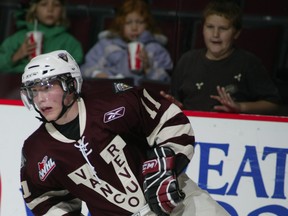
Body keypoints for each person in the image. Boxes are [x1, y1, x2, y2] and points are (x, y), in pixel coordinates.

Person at [20, 50, 229, 216]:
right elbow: (43, 199)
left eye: (47, 88)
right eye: (34, 91)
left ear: (71, 84)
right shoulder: (37, 151)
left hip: (179, 202)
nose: (40, 99)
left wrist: (165, 167)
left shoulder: (115, 102)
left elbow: (169, 120)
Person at [161, 0, 281, 115]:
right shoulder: (187, 60)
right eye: (210, 27)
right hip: (190, 130)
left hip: (233, 131)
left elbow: (273, 104)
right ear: (202, 28)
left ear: (237, 32)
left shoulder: (248, 62)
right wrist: (177, 107)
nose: (215, 34)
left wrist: (240, 107)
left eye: (223, 28)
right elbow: (176, 101)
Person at [80, 0, 172, 85]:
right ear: (120, 24)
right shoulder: (106, 45)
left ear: (147, 24)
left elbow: (165, 82)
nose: (134, 28)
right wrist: (97, 74)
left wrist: (148, 68)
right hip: (109, 93)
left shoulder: (155, 49)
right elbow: (85, 69)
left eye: (139, 22)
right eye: (128, 22)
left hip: (140, 96)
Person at [0, 0, 83, 73]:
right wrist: (17, 55)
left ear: (62, 10)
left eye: (56, 5)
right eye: (44, 4)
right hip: (16, 82)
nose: (50, 9)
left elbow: (76, 68)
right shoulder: (19, 38)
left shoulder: (69, 42)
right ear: (34, 9)